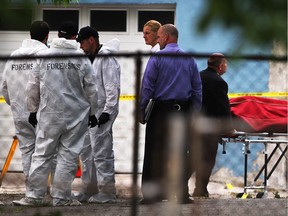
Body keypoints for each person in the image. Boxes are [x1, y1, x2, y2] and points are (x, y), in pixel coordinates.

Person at [12, 21, 98, 206]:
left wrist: (32, 110)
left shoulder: (44, 56)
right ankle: (61, 197)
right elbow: (92, 89)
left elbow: (32, 86)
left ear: (57, 35)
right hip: (76, 116)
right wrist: (93, 112)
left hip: (49, 114)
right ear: (75, 36)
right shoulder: (81, 58)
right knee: (68, 155)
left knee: (42, 154)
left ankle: (34, 196)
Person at [139, 24, 202, 204]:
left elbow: (148, 87)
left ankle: (152, 194)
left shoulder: (157, 58)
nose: (158, 40)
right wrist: (195, 113)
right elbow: (197, 89)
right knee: (181, 152)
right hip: (182, 111)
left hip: (160, 111)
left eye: (159, 36)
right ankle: (181, 194)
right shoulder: (189, 59)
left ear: (166, 37)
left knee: (154, 151)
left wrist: (142, 110)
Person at [1, 20, 50, 195]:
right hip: (42, 113)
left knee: (27, 151)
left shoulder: (14, 56)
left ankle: (32, 191)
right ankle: (45, 190)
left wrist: (15, 103)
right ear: (47, 36)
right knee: (45, 152)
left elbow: (4, 87)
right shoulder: (47, 54)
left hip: (20, 113)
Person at [75, 26, 121, 203]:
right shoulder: (88, 58)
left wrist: (107, 113)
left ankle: (108, 192)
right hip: (88, 114)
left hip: (102, 113)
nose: (80, 46)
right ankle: (89, 189)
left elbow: (112, 88)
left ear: (91, 40)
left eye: (82, 42)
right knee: (86, 153)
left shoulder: (106, 58)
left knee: (102, 153)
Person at [192, 53, 235, 198]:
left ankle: (180, 187)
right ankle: (200, 190)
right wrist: (229, 128)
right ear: (221, 66)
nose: (226, 67)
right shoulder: (219, 82)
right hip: (209, 127)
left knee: (192, 157)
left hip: (193, 123)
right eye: (226, 64)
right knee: (208, 160)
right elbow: (223, 107)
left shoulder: (197, 76)